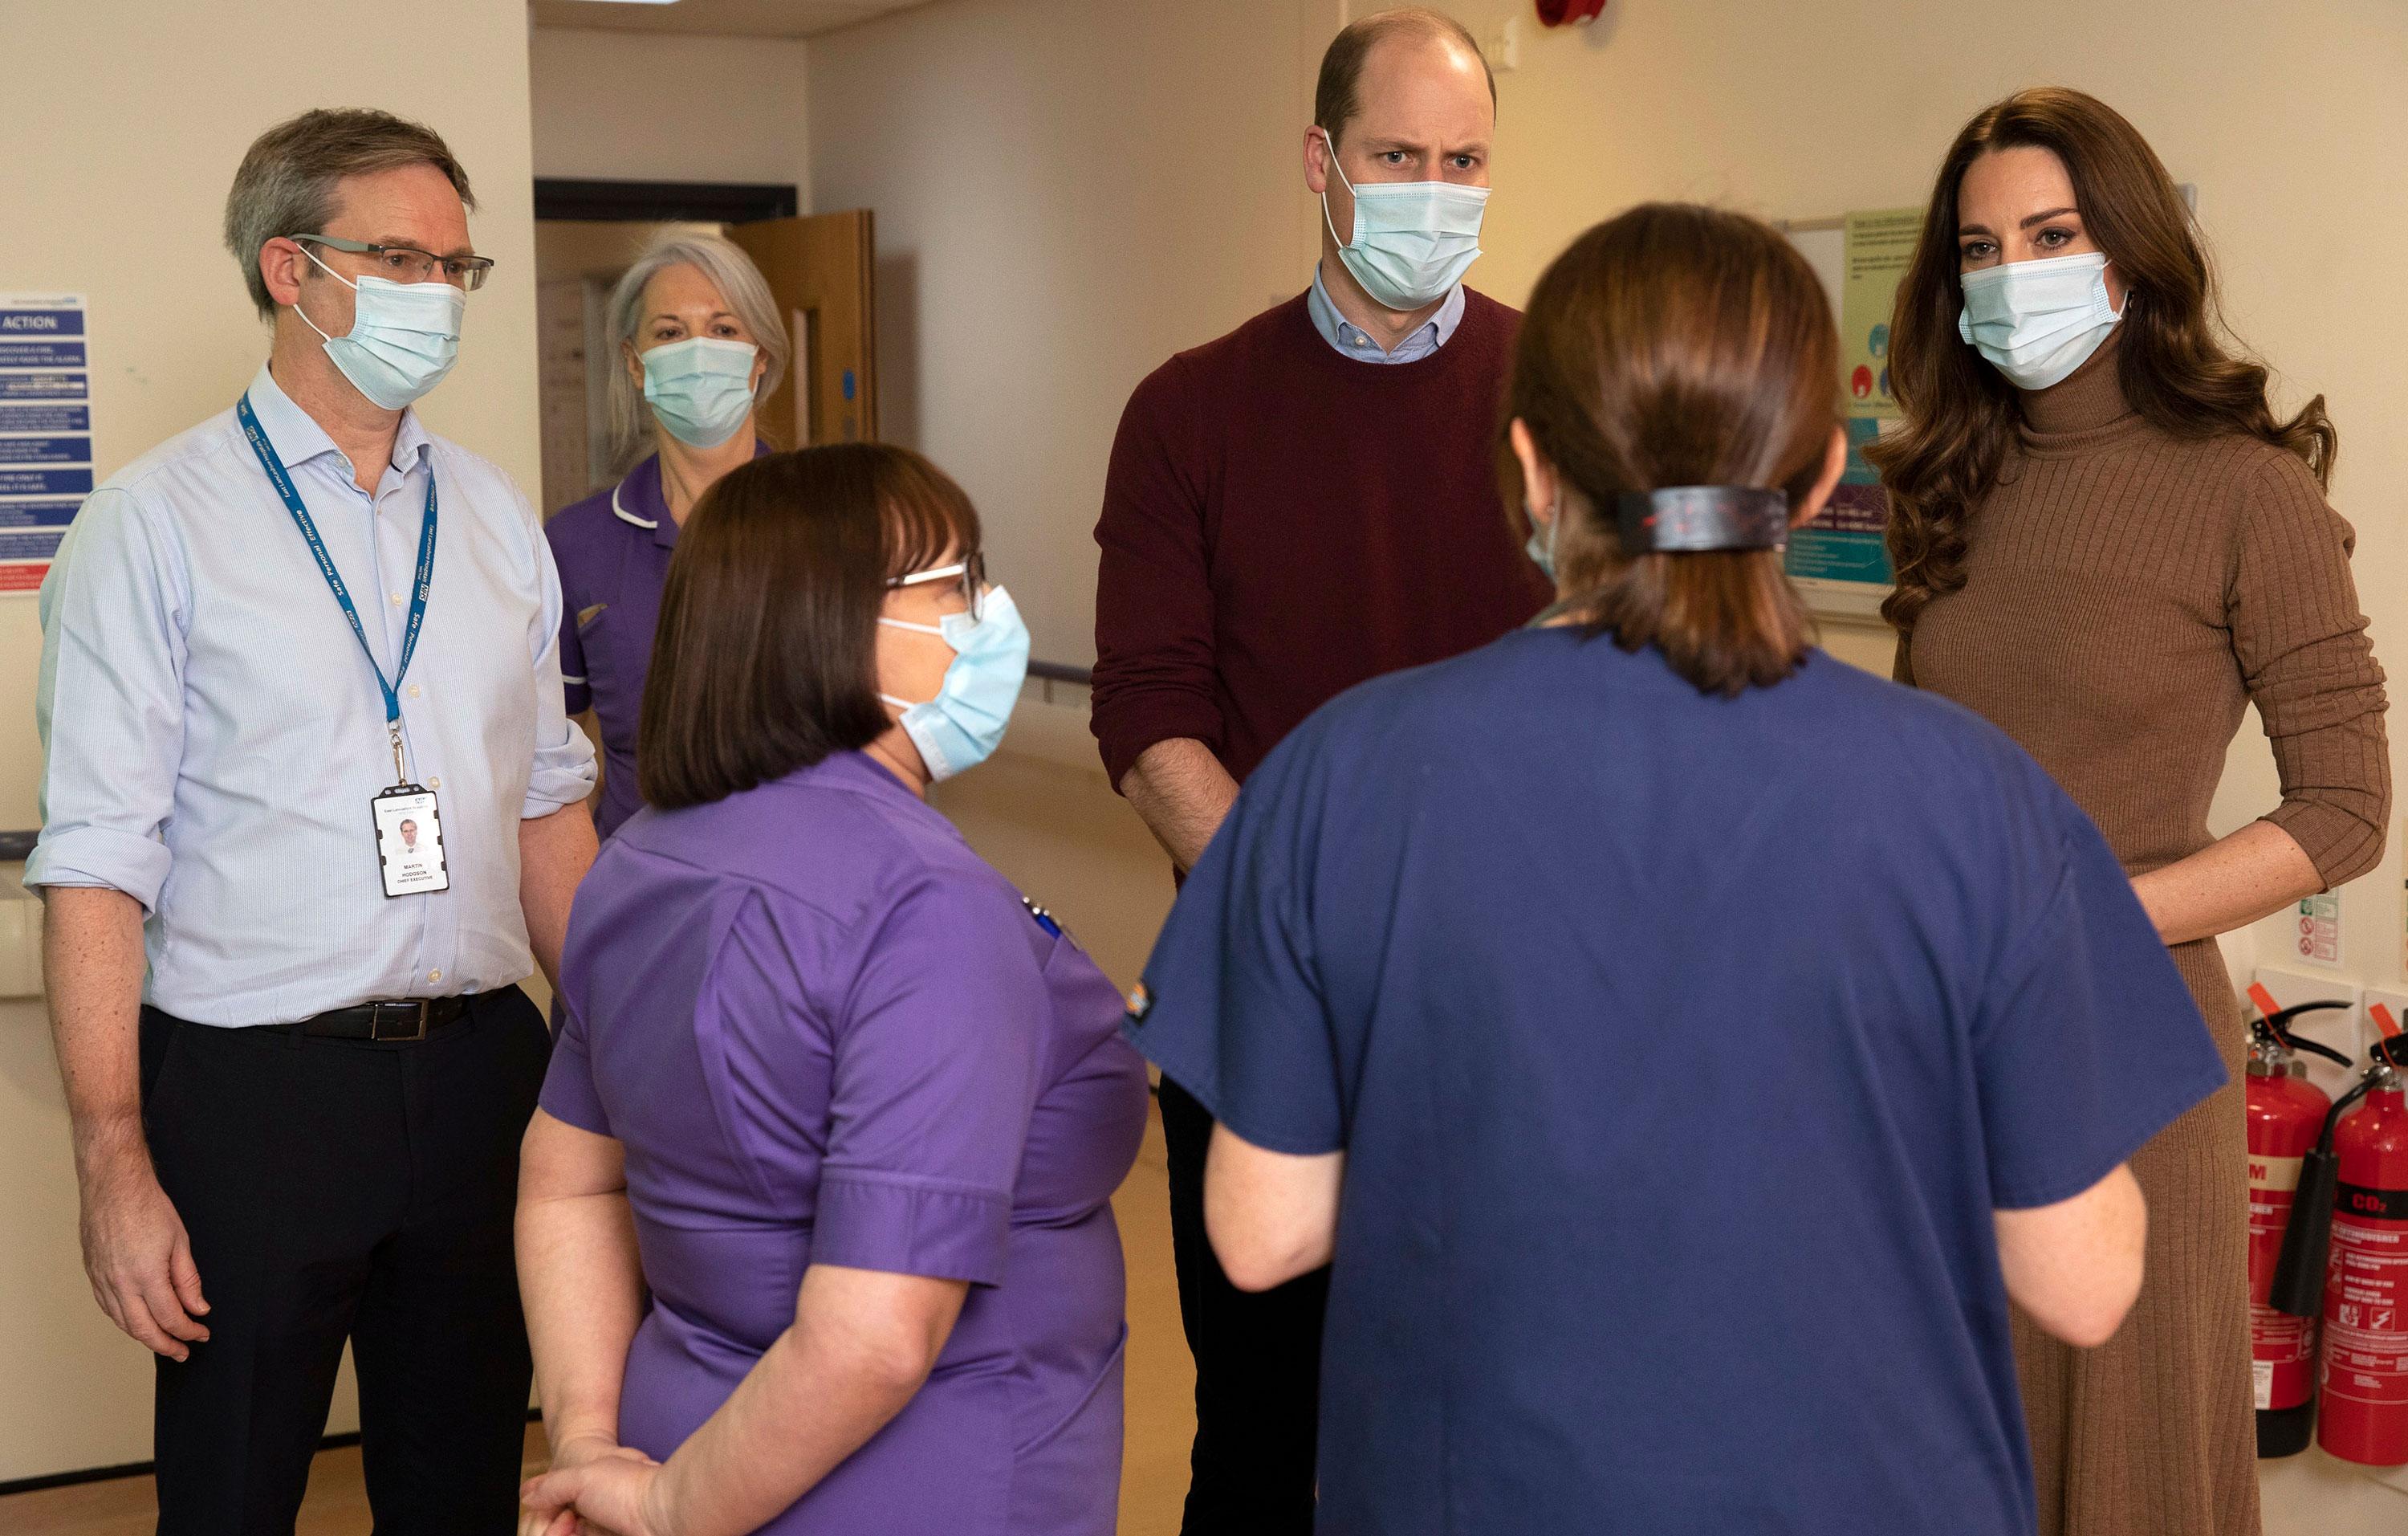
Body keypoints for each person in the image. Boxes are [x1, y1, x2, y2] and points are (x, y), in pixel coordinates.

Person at [1121, 201, 2232, 1536]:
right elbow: (2087, 1278)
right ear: (1823, 475)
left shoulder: (1342, 775)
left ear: (1531, 470)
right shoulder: (1979, 800)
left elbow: (1261, 1230)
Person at [27, 108, 597, 1532]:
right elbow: (97, 861)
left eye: (459, 268)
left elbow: (545, 808)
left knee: (460, 1476)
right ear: (290, 269)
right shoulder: (151, 526)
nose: (439, 297)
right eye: (400, 257)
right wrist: (112, 1155)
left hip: (482, 1069)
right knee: (232, 1489)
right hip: (253, 1089)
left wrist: (626, 1048)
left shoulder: (490, 515)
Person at [1873, 88, 2389, 1536]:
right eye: (1979, 248)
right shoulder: (1953, 476)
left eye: (2052, 232)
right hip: (1939, 1045)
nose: (2010, 273)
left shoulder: (2247, 491)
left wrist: (2089, 907)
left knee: (2127, 1468)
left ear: (2133, 251)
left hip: (2129, 1049)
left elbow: (2349, 805)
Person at [1088, 11, 1548, 1526]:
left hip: (1506, 1010)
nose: (1434, 188)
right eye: (1397, 155)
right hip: (1266, 1006)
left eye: (1464, 160)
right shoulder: (1189, 413)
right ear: (1320, 162)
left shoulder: (1559, 400)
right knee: (1268, 1433)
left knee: (1498, 1421)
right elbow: (1153, 722)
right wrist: (1320, 922)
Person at [515, 445, 1149, 1536]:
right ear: (830, 624)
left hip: (687, 1432)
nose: (988, 612)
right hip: (919, 1480)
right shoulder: (925, 903)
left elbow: (566, 1187)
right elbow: (874, 1336)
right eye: (955, 584)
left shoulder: (640, 864)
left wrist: (590, 1444)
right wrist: (667, 1507)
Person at [547, 230, 791, 840]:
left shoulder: (831, 524)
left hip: (801, 892)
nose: (699, 351)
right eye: (671, 332)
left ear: (760, 357)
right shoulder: (578, 544)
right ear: (635, 362)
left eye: (725, 329)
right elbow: (550, 770)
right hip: (643, 893)